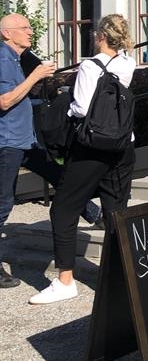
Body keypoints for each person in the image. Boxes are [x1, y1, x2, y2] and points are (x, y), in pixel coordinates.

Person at [29, 15, 137, 305]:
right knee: (116, 210)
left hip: (92, 146)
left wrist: (65, 100)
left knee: (64, 208)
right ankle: (120, 275)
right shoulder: (129, 63)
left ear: (101, 35)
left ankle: (65, 280)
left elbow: (82, 108)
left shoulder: (90, 65)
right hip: (124, 144)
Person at [0, 15, 59, 288]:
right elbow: (4, 101)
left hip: (24, 139)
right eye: (24, 28)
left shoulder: (18, 58)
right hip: (8, 142)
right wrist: (35, 76)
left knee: (57, 174)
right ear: (7, 34)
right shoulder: (1, 58)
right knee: (3, 204)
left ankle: (94, 214)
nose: (30, 31)